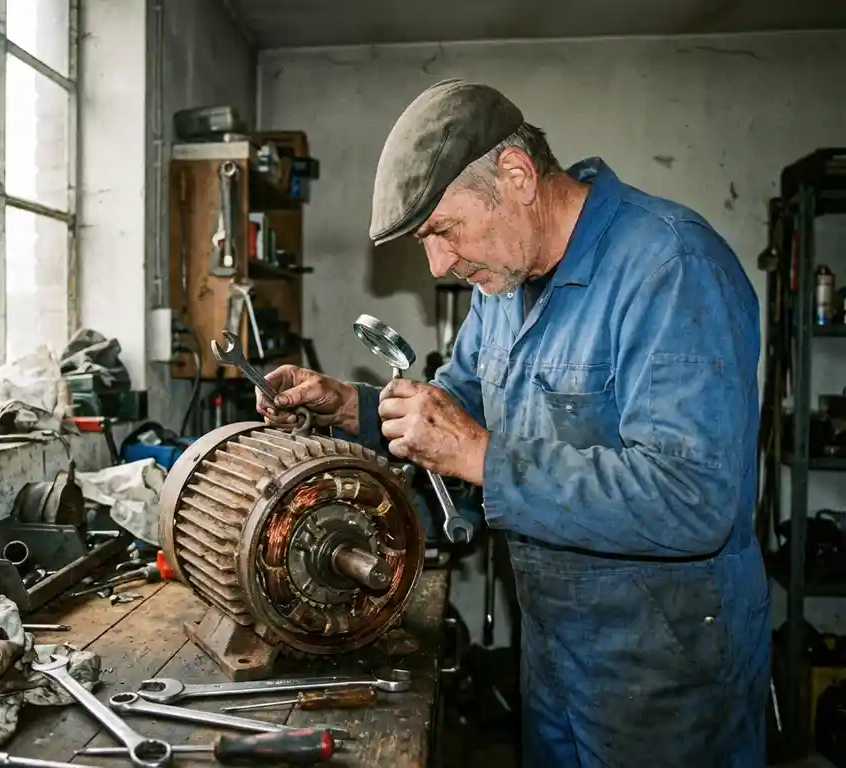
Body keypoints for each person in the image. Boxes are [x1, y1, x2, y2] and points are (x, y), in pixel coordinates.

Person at [256, 79, 770, 766]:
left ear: (517, 176)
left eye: (443, 229)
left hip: (666, 678)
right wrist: (346, 405)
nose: (440, 263)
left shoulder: (670, 268)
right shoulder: (502, 285)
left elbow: (694, 498)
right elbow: (451, 409)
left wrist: (483, 458)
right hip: (555, 654)